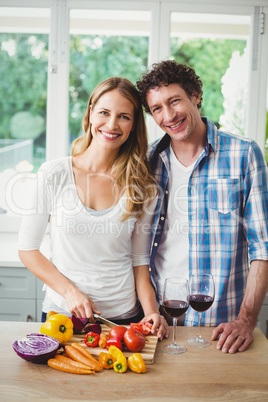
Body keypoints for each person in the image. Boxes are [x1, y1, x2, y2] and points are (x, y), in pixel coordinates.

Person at [18, 77, 168, 339]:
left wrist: (151, 312)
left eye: (123, 116)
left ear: (133, 125)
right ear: (90, 113)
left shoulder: (143, 186)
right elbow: (27, 250)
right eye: (104, 113)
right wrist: (69, 291)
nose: (111, 124)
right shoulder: (54, 174)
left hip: (122, 319)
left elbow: (139, 261)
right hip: (63, 314)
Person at [136, 60, 268, 352]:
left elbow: (263, 247)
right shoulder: (147, 161)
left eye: (174, 101)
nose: (168, 115)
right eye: (157, 108)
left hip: (222, 330)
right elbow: (136, 248)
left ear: (195, 95)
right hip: (160, 325)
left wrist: (246, 320)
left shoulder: (244, 154)